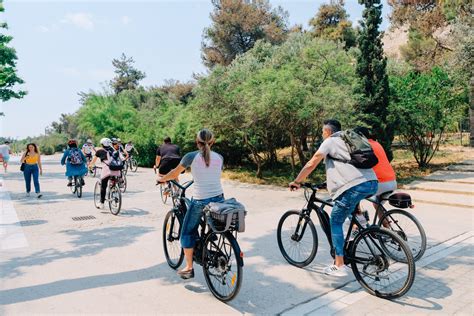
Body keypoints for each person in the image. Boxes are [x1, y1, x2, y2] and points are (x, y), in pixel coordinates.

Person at [289, 119, 378, 277]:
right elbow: (346, 166)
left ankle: (339, 264)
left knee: (335, 220)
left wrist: (297, 181)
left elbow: (312, 162)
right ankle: (358, 231)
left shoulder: (330, 141)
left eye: (323, 132)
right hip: (371, 182)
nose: (323, 135)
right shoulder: (348, 140)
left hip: (354, 186)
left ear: (328, 132)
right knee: (348, 209)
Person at [158, 129, 224, 280]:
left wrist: (162, 179)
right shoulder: (219, 157)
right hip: (219, 198)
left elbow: (175, 174)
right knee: (209, 222)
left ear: (197, 142)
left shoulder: (191, 156)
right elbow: (212, 173)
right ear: (212, 142)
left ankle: (188, 267)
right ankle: (210, 237)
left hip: (201, 200)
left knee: (187, 232)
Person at [354, 127, 397, 225]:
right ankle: (387, 230)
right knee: (376, 204)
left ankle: (360, 224)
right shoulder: (376, 143)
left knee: (354, 197)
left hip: (380, 183)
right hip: (392, 181)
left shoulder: (364, 146)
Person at [89, 138, 121, 209]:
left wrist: (90, 166)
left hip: (107, 170)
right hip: (116, 170)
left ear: (102, 144)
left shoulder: (100, 151)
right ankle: (115, 191)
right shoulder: (113, 150)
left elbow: (93, 162)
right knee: (113, 180)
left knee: (103, 186)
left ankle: (102, 203)